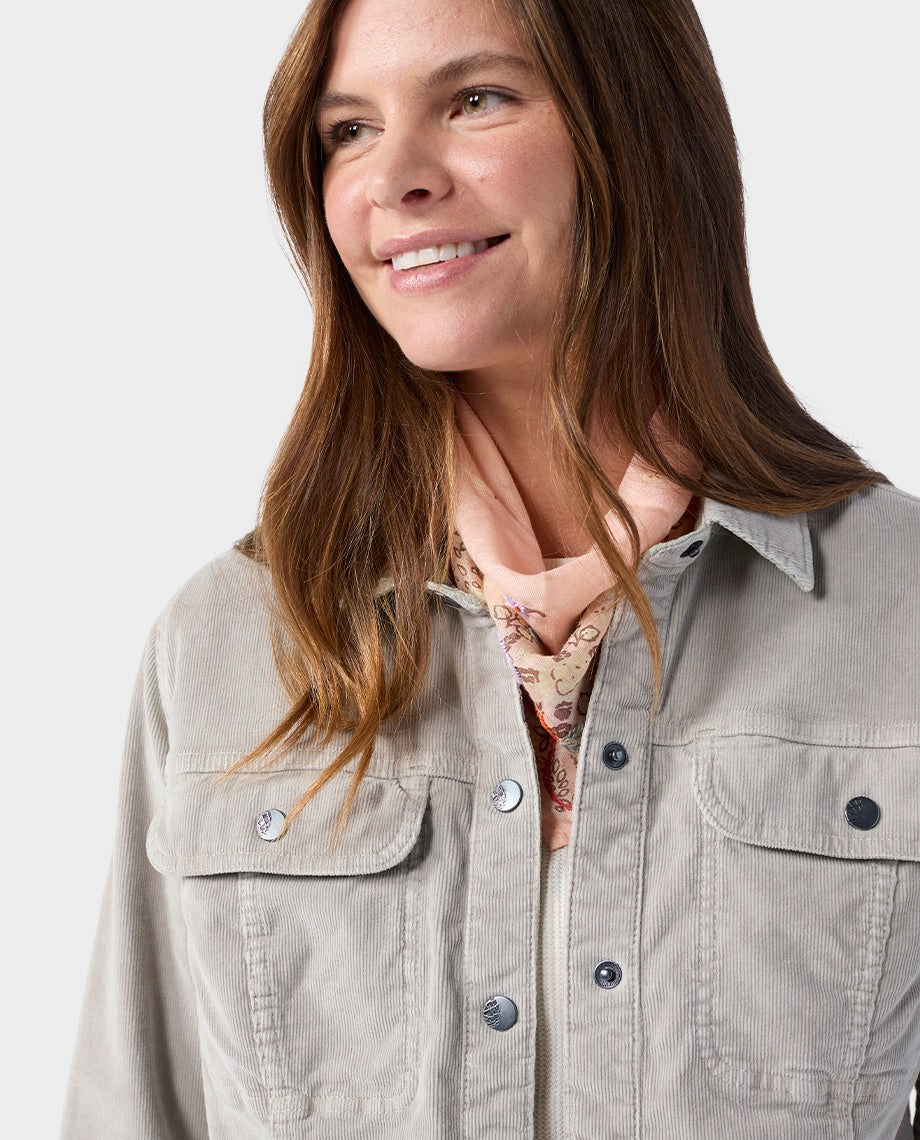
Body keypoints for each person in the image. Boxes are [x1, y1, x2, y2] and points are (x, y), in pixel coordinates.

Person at [61, 0, 920, 1136]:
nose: (393, 179)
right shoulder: (225, 637)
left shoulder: (901, 608)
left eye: (474, 99)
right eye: (348, 131)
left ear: (638, 126)